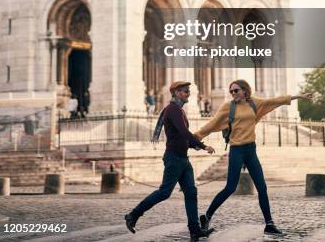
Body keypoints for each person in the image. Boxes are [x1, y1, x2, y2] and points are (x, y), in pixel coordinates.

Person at [194, 79, 312, 237]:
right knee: (230, 187)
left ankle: (269, 224)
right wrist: (194, 139)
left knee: (262, 188)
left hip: (251, 150)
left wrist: (298, 96)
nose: (233, 94)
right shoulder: (228, 107)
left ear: (244, 90)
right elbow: (211, 125)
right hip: (236, 150)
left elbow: (274, 101)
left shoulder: (254, 103)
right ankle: (207, 217)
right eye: (231, 91)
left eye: (236, 90)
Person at [124, 81, 216, 241]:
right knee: (164, 192)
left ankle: (194, 230)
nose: (188, 93)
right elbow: (182, 131)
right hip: (174, 158)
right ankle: (133, 215)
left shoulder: (177, 109)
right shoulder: (173, 109)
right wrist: (202, 146)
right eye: (185, 91)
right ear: (176, 93)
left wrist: (193, 145)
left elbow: (181, 135)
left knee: (191, 192)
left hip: (182, 158)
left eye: (188, 91)